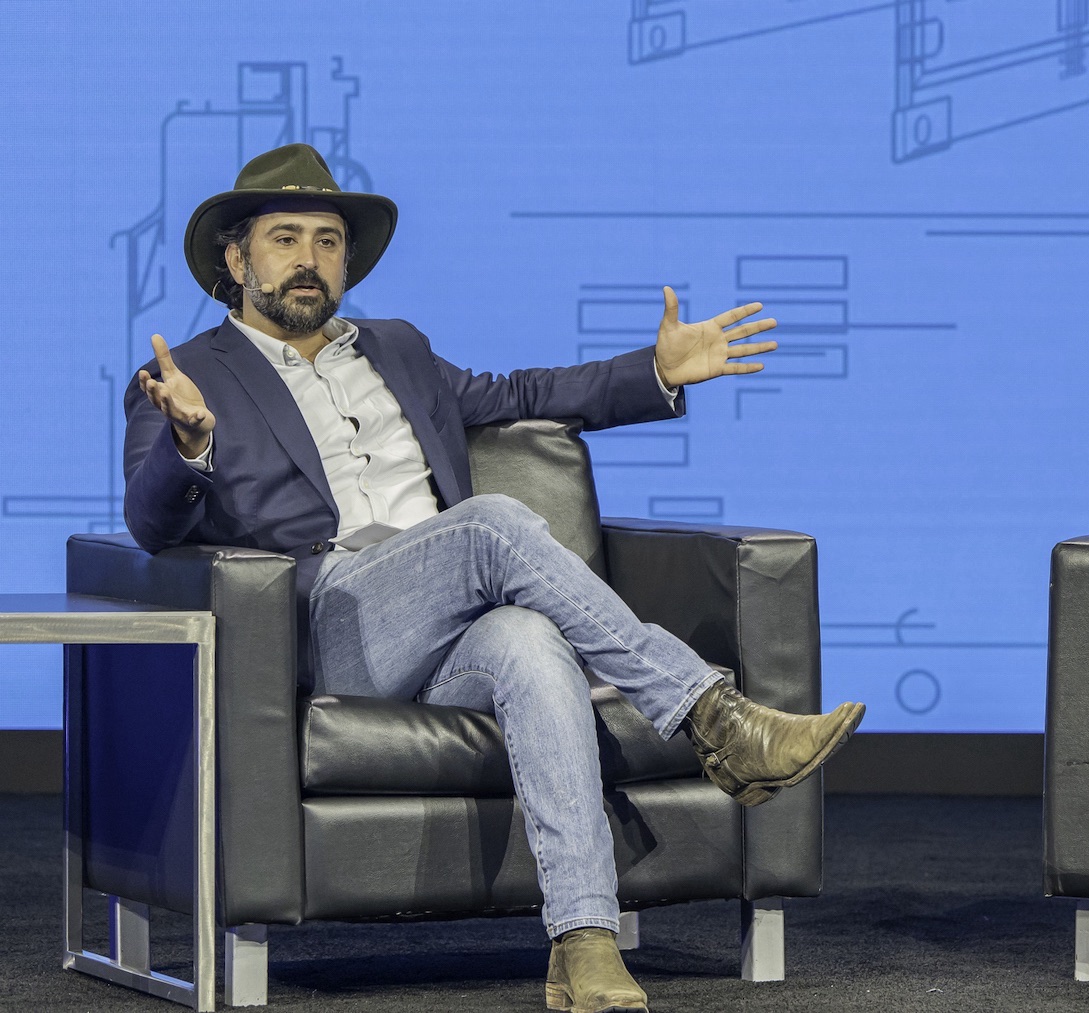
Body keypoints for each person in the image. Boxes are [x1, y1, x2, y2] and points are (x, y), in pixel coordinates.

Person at [124, 143, 865, 1013]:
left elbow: (521, 391)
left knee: (529, 639)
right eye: (284, 238)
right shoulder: (192, 376)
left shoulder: (396, 349)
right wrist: (189, 445)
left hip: (449, 626)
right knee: (490, 523)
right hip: (333, 619)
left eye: (327, 241)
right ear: (235, 257)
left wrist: (656, 371)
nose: (309, 260)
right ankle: (713, 714)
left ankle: (583, 941)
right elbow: (151, 525)